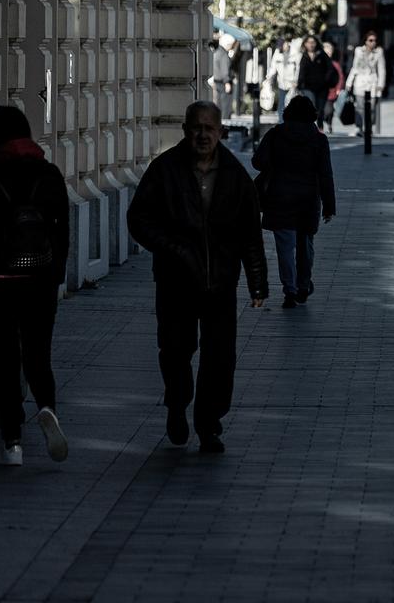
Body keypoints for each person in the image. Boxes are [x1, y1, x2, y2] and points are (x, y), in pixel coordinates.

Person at [126, 101, 267, 454]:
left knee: (219, 358)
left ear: (220, 132)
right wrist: (171, 248)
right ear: (185, 130)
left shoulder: (235, 177)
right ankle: (177, 404)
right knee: (175, 350)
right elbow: (139, 218)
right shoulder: (166, 170)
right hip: (176, 281)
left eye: (209, 128)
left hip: (220, 281)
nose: (203, 135)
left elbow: (250, 232)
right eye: (196, 128)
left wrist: (258, 281)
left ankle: (209, 425)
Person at [0, 105, 70, 467]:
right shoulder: (49, 174)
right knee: (38, 354)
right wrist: (57, 274)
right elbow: (62, 230)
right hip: (40, 279)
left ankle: (12, 442)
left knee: (7, 358)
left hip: (1, 281)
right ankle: (47, 408)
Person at [252, 95, 335, 309]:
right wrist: (329, 206)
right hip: (308, 200)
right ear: (312, 115)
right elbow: (325, 174)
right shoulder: (318, 139)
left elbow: (258, 162)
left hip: (280, 197)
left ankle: (289, 290)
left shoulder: (276, 134)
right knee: (305, 245)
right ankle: (303, 285)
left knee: (285, 247)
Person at [349, 30, 386, 136]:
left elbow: (382, 69)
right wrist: (349, 82)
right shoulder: (359, 51)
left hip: (373, 83)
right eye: (370, 40)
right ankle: (359, 128)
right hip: (360, 82)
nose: (373, 43)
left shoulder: (379, 52)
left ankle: (369, 128)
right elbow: (355, 67)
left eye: (374, 40)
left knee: (372, 108)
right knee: (360, 107)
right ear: (365, 41)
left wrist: (381, 84)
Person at [295, 34, 336, 131]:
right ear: (305, 44)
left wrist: (325, 81)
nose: (311, 45)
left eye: (313, 42)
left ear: (316, 43)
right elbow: (301, 71)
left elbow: (330, 69)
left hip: (322, 88)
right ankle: (310, 128)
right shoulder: (304, 56)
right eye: (309, 42)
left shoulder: (322, 55)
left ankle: (320, 128)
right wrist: (299, 85)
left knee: (320, 109)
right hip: (308, 87)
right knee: (311, 106)